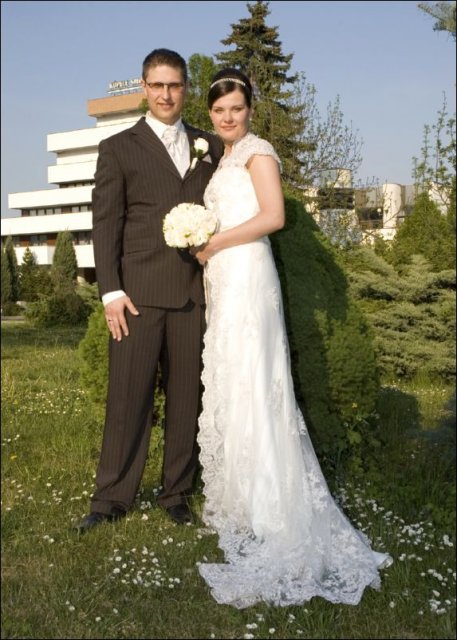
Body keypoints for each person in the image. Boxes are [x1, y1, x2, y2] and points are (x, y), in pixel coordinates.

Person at [192, 68, 393, 608]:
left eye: (236, 108)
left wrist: (215, 242)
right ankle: (241, 498)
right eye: (219, 110)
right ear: (210, 113)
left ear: (249, 110)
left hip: (248, 272)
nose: (228, 117)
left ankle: (273, 506)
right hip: (225, 277)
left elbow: (274, 216)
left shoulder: (258, 152)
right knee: (235, 379)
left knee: (258, 380)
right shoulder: (222, 159)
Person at [75, 49, 223, 533]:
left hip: (192, 295)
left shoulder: (208, 145)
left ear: (186, 89)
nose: (166, 94)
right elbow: (106, 224)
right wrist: (110, 292)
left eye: (174, 85)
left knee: (186, 400)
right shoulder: (118, 147)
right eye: (157, 85)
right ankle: (111, 499)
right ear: (144, 88)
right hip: (135, 297)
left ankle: (176, 493)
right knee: (128, 400)